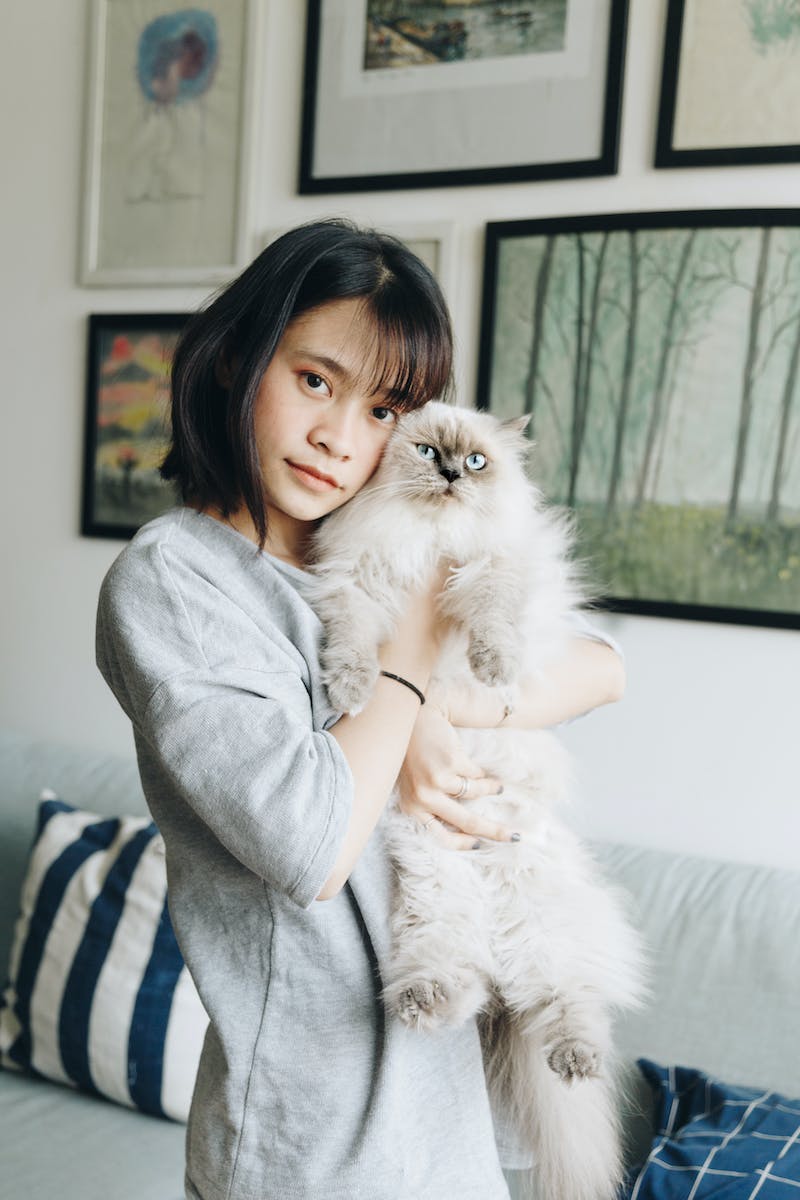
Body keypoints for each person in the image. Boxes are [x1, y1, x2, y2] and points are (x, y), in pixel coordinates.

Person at [96, 219, 625, 1200]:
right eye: (314, 381)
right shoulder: (176, 582)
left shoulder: (379, 538)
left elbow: (600, 667)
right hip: (310, 1151)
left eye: (384, 409)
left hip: (456, 1137)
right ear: (236, 359)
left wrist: (434, 717)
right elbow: (312, 843)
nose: (339, 438)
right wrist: (414, 662)